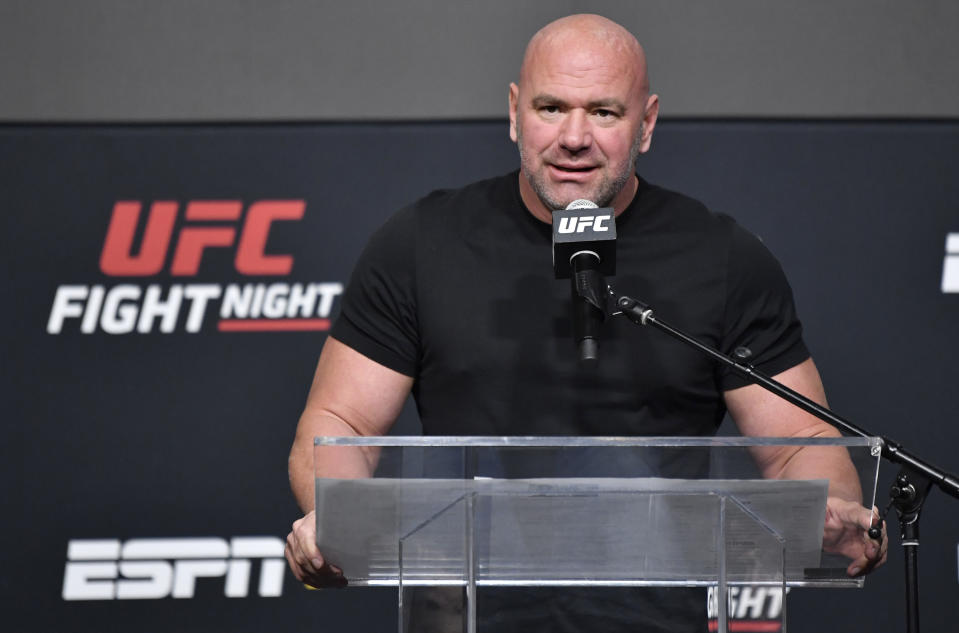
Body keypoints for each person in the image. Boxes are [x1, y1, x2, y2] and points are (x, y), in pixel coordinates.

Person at [285, 13, 887, 631]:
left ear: (646, 123)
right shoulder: (421, 243)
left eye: (604, 112)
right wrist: (339, 521)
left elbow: (805, 448)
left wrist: (834, 510)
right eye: (551, 108)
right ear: (515, 111)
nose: (574, 137)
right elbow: (341, 422)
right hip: (462, 618)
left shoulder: (721, 258)